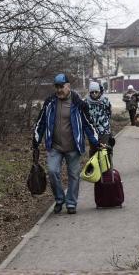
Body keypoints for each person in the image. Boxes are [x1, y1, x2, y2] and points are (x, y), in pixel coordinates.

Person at [33, 73, 100, 215]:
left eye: (61, 87)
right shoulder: (50, 102)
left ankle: (71, 203)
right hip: (55, 146)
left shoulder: (78, 103)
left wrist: (96, 142)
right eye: (56, 87)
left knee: (74, 176)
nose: (58, 90)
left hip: (73, 147)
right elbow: (41, 122)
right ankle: (59, 199)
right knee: (52, 171)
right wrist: (36, 140)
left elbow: (88, 124)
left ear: (68, 86)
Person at [86, 81, 112, 157]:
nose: (94, 94)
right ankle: (94, 168)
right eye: (92, 92)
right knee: (94, 150)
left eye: (96, 92)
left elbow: (109, 112)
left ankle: (107, 168)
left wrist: (104, 123)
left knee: (104, 150)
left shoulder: (105, 100)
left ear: (99, 92)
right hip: (92, 130)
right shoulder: (86, 102)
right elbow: (85, 116)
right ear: (89, 92)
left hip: (104, 129)